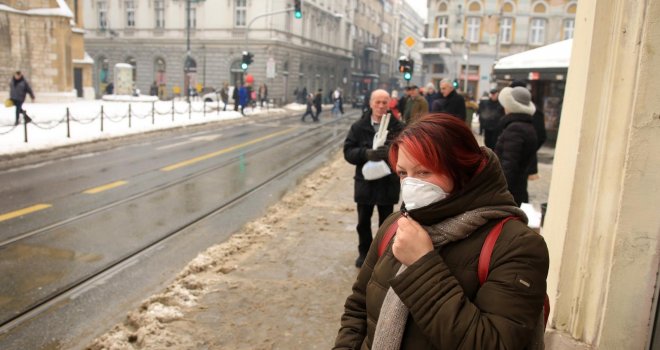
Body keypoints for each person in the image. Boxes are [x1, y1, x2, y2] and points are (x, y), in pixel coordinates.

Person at [334, 113, 549, 349]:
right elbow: (358, 307)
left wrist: (421, 265)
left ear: (461, 170)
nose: (410, 185)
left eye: (424, 172)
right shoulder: (396, 225)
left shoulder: (517, 245)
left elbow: (494, 343)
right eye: (403, 173)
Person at [343, 89, 405, 268]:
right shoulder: (358, 126)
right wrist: (366, 154)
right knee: (363, 221)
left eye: (384, 102)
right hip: (365, 183)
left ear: (389, 104)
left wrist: (391, 153)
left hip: (387, 183)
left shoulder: (398, 127)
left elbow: (408, 152)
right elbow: (348, 152)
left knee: (386, 223)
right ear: (370, 103)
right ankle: (364, 253)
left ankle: (383, 256)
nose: (380, 106)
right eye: (377, 102)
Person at [495, 86, 538, 206]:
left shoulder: (515, 129)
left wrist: (500, 192)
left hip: (510, 192)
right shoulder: (527, 126)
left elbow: (509, 165)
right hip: (518, 188)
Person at [510, 81, 547, 181]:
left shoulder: (534, 112)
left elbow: (541, 136)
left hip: (522, 163)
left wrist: (528, 148)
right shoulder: (507, 110)